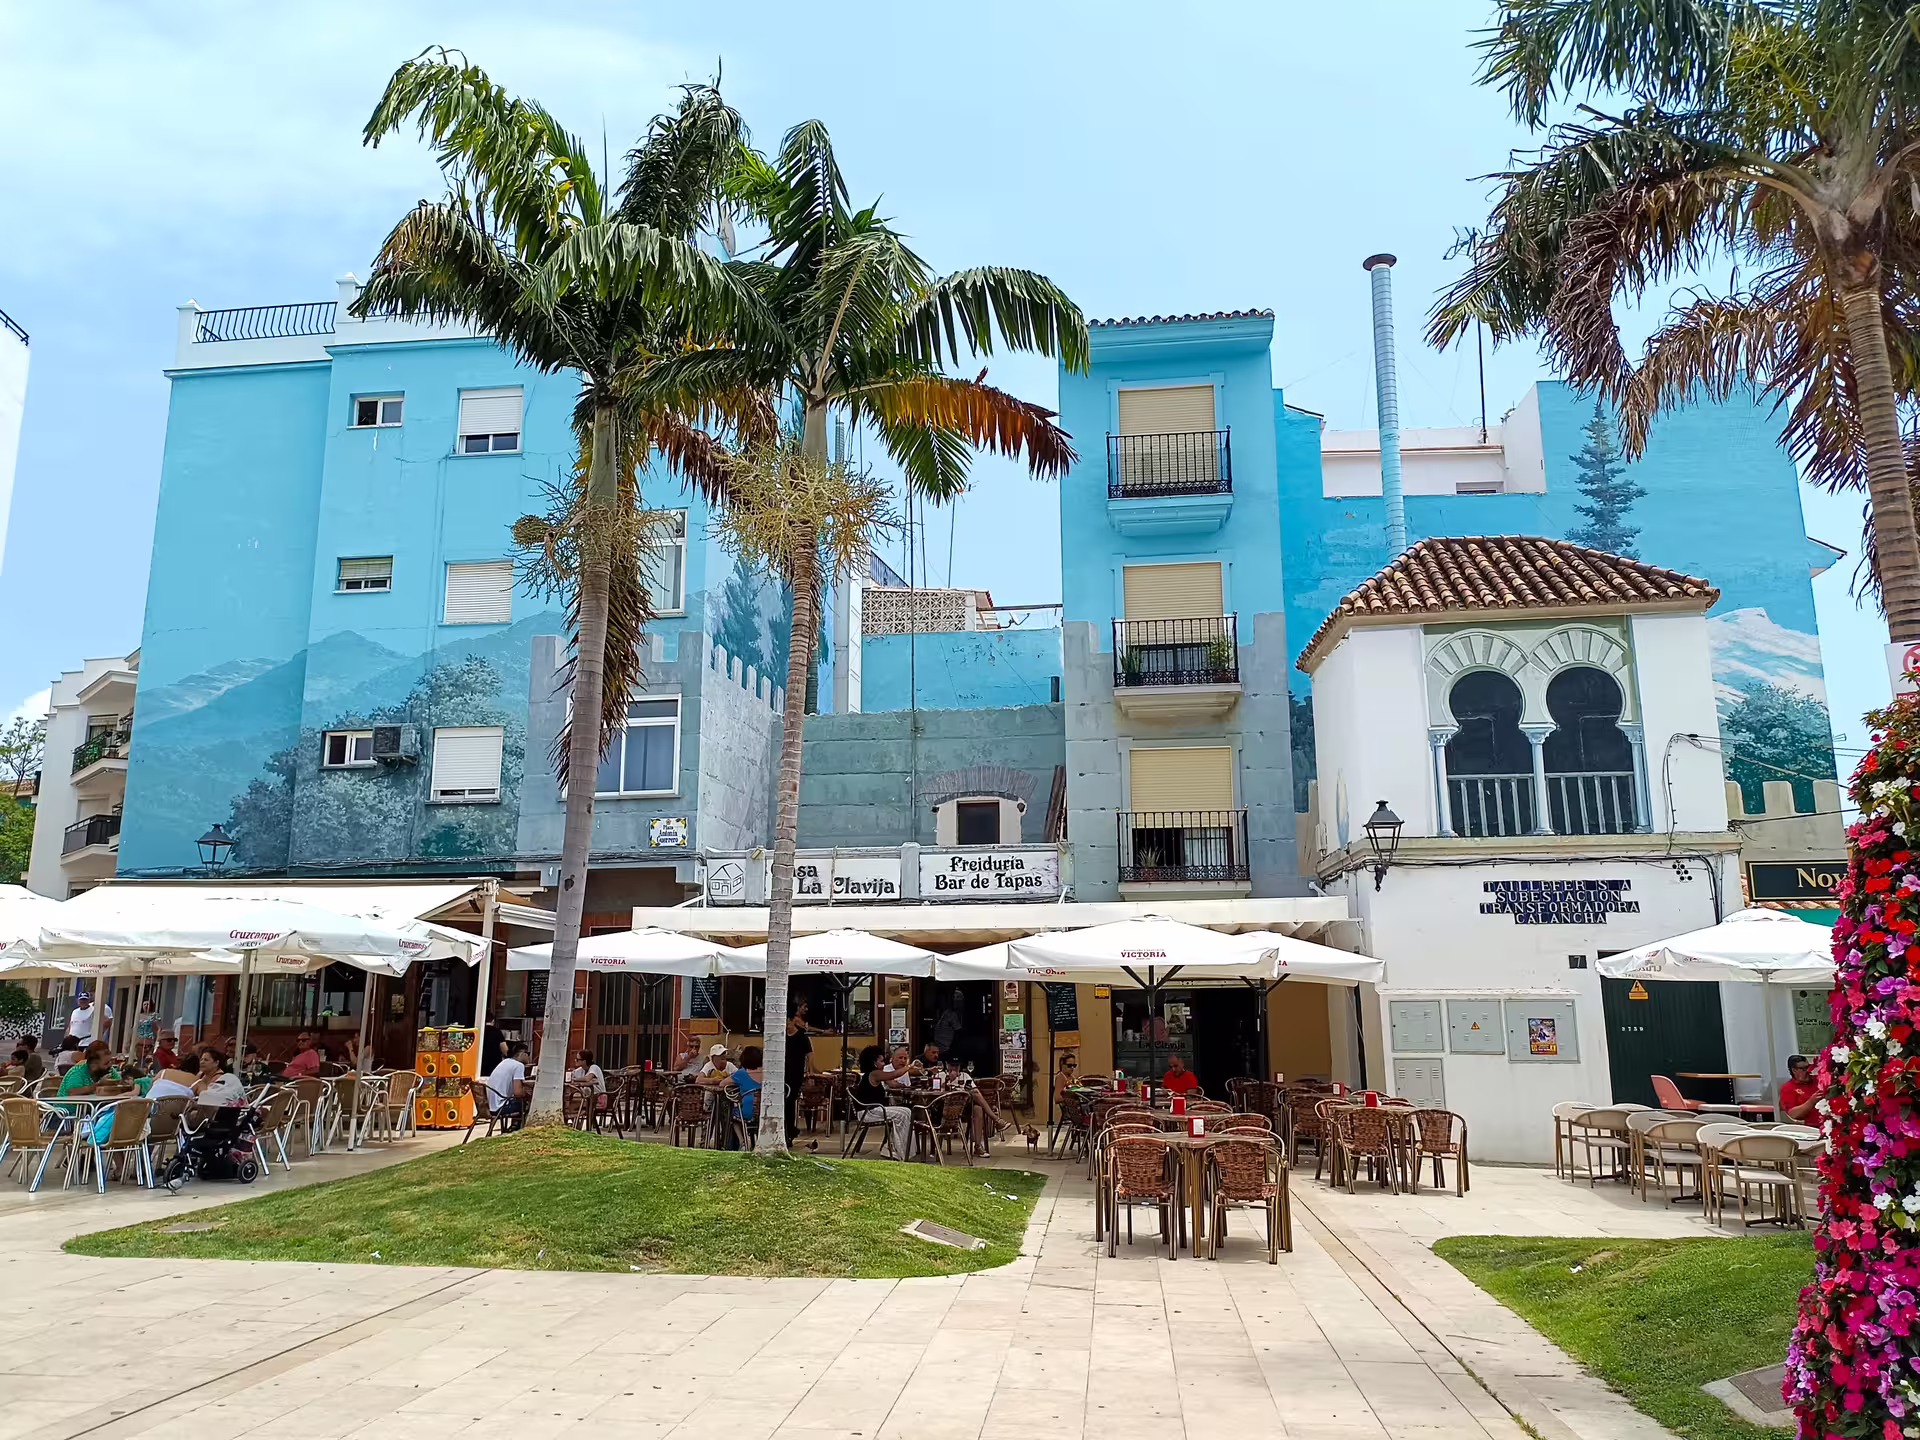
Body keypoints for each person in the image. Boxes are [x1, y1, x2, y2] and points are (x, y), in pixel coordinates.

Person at [849, 1044, 913, 1159]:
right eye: (882, 1061)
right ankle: (896, 1150)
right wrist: (909, 1066)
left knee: (907, 1112)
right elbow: (893, 1074)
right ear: (874, 1063)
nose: (884, 1064)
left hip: (874, 1109)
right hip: (869, 1112)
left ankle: (893, 1148)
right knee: (903, 1114)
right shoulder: (874, 1073)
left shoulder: (872, 1074)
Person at [784, 998, 824, 1144]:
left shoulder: (802, 1038)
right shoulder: (781, 1038)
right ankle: (788, 1130)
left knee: (790, 1102)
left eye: (787, 1023)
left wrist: (810, 1075)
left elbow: (810, 1058)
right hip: (782, 1074)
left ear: (792, 1021)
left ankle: (790, 1131)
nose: (786, 1026)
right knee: (783, 1103)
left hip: (796, 1075)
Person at [488, 1042, 531, 1132]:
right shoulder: (519, 1066)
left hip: (491, 1106)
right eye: (528, 1054)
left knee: (519, 1102)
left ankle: (514, 1127)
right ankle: (517, 1129)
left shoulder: (504, 1062)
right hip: (501, 1107)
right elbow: (517, 1093)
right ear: (522, 1053)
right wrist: (529, 1092)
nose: (529, 1057)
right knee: (527, 1104)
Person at [732, 1045, 766, 1137]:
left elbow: (722, 1083)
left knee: (733, 1115)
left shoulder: (741, 1073)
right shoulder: (767, 1073)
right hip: (767, 1112)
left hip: (748, 1112)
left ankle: (742, 1141)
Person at [1780, 1054, 1820, 1123]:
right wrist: (1811, 1102)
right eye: (1803, 1069)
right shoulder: (1788, 1088)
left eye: (1808, 1067)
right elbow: (1793, 1114)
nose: (1808, 1071)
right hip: (1807, 1126)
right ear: (1794, 1070)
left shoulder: (1819, 1080)